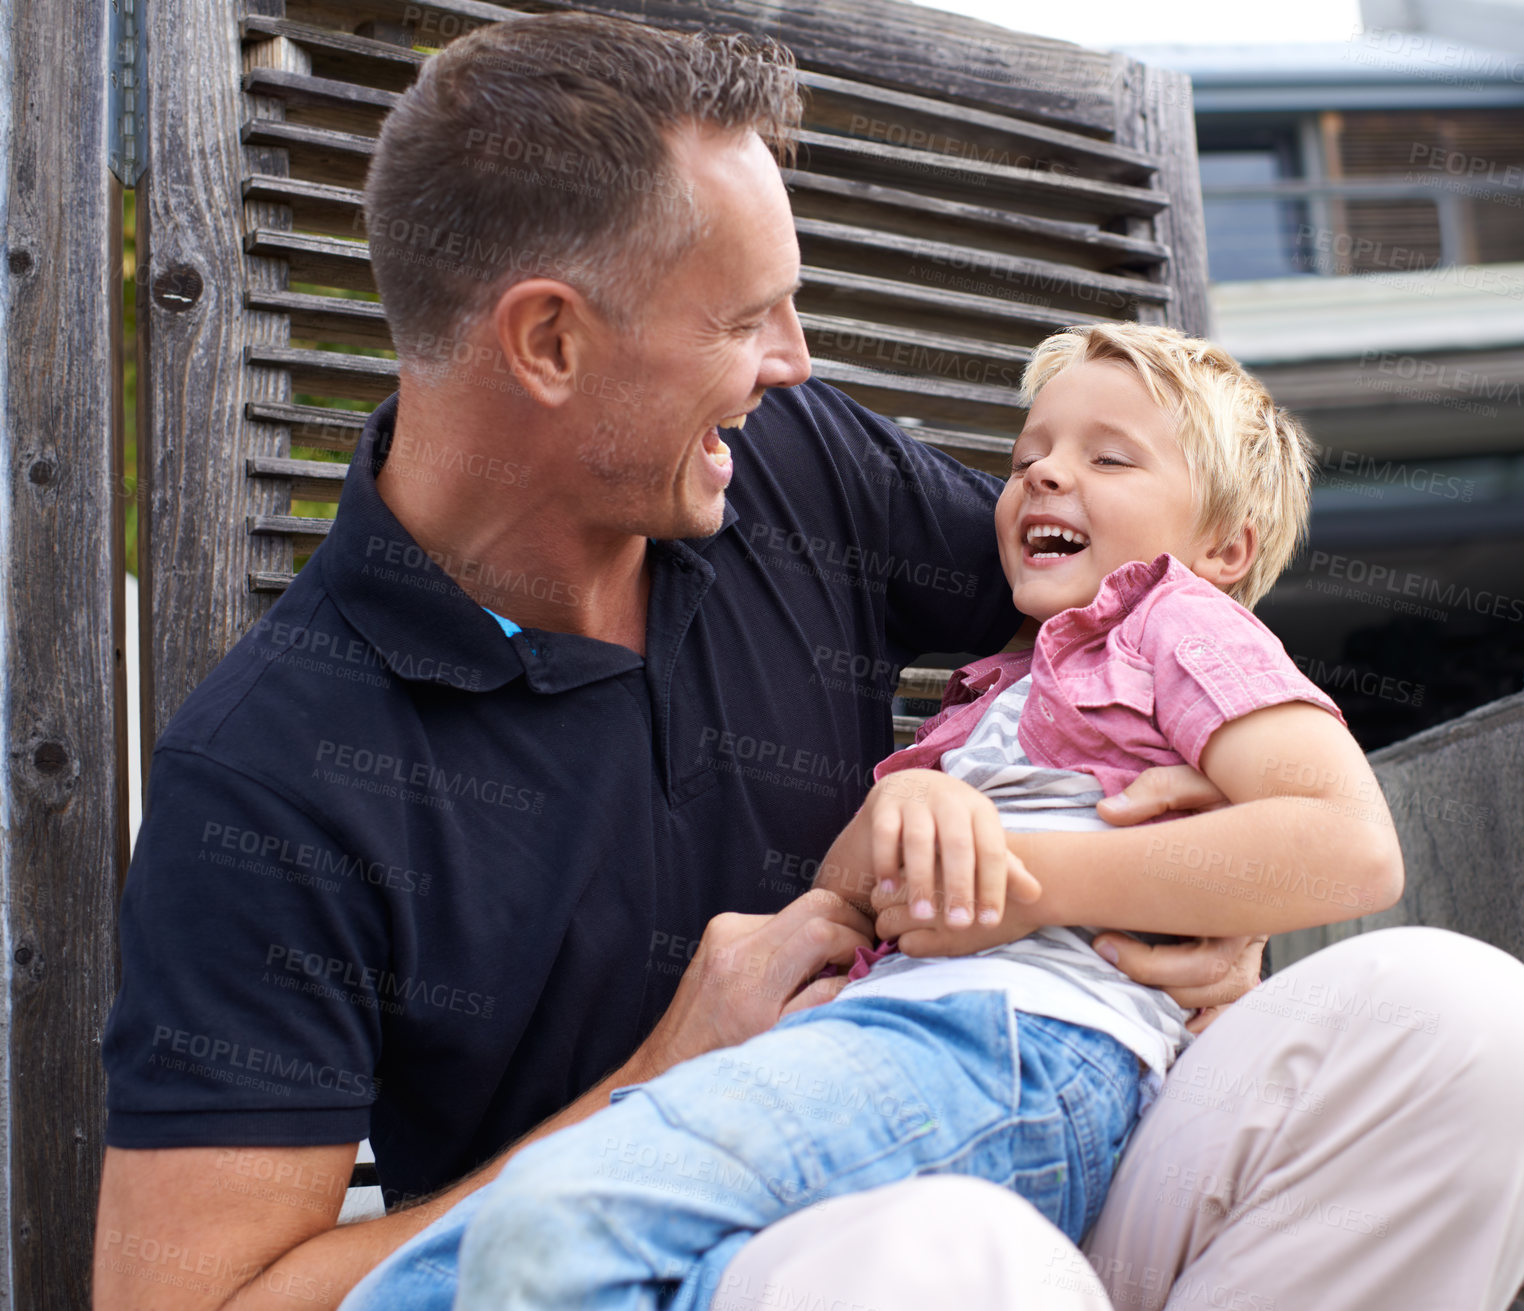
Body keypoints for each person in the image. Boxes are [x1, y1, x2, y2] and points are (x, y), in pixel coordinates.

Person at [91, 14, 1524, 1311]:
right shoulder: (269, 772)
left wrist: (1193, 884)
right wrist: (655, 1077)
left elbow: (1129, 618)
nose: (796, 358)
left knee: (1465, 1034)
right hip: (697, 1262)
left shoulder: (780, 464)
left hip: (1048, 1109)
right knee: (941, 1259)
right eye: (743, 317)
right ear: (547, 341)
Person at [335, 320, 1405, 1310]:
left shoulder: (1176, 623)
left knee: (569, 1224)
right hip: (896, 1038)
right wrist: (916, 803)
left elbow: (1351, 846)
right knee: (496, 1247)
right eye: (1032, 449)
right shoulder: (998, 686)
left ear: (1225, 552)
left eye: (1108, 458)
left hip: (1012, 1043)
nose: (1042, 471)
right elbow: (854, 881)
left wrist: (1025, 880)